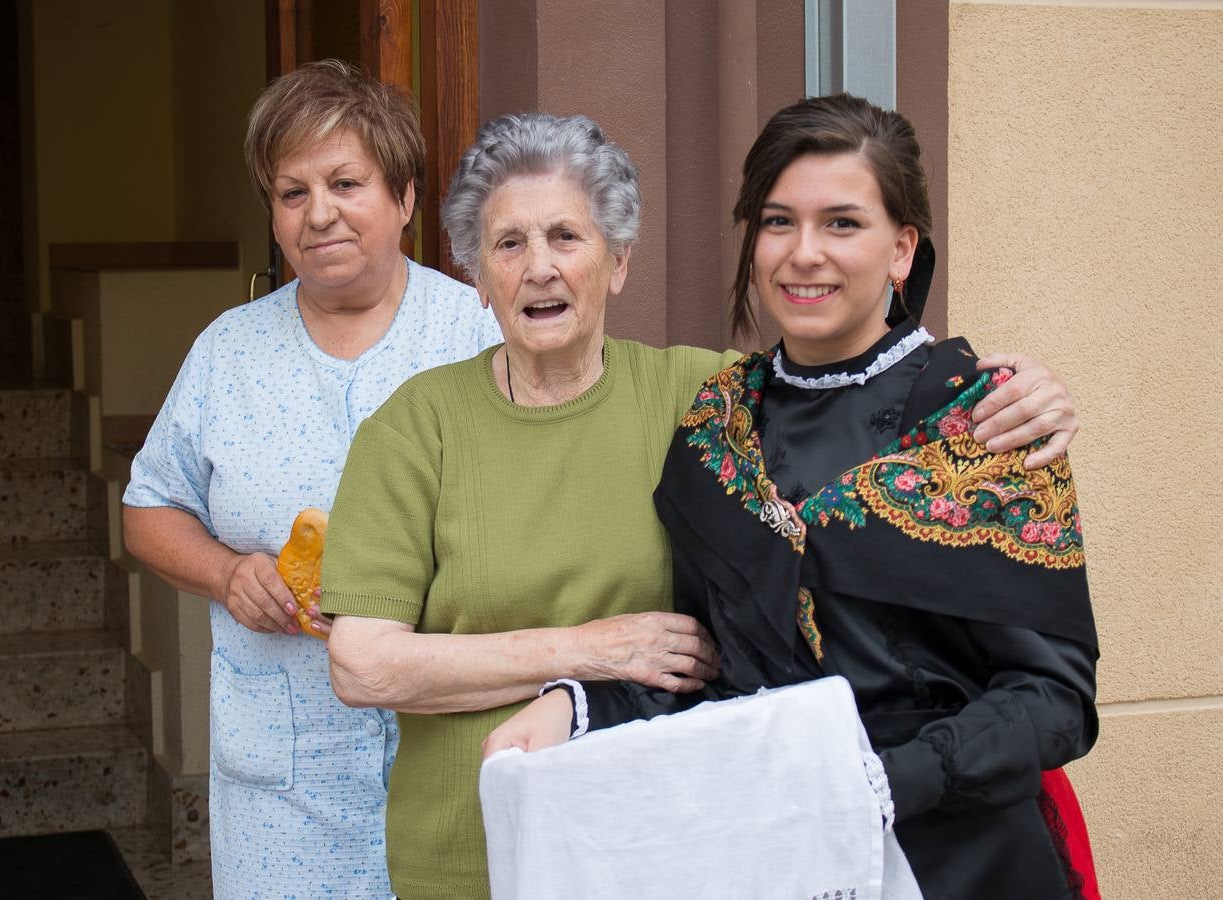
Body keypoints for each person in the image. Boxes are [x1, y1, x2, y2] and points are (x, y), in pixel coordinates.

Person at [319, 110, 1083, 900]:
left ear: (618, 263)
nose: (538, 267)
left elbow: (1053, 695)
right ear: (477, 276)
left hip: (904, 855)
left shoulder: (938, 416)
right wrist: (580, 685)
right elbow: (715, 658)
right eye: (509, 244)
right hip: (585, 847)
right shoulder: (704, 420)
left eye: (566, 238)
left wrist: (1033, 397)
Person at [121, 60, 504, 898]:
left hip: (448, 756)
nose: (318, 212)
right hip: (282, 781)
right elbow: (149, 509)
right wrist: (228, 574)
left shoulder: (476, 332)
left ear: (404, 197)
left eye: (345, 182)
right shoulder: (229, 349)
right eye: (292, 193)